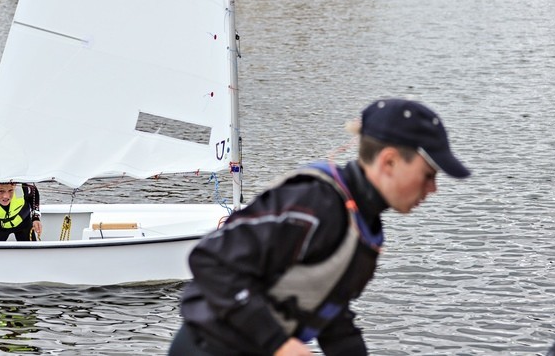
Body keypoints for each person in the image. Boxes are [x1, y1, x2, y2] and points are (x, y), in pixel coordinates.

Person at [169, 98, 470, 356]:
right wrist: (279, 343)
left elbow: (332, 315)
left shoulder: (362, 219)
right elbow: (210, 260)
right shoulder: (314, 202)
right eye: (428, 175)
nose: (433, 189)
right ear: (389, 161)